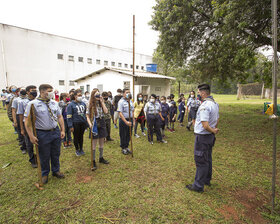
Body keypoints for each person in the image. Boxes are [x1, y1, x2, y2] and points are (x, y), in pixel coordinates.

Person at [24, 84, 65, 184]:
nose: (52, 92)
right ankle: (45, 173)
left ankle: (56, 171)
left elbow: (59, 117)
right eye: (49, 91)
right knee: (44, 154)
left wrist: (62, 130)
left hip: (55, 131)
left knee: (56, 153)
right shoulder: (33, 104)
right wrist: (31, 136)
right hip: (42, 133)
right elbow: (27, 122)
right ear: (42, 92)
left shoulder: (54, 103)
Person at [186, 84, 219, 193]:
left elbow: (205, 125)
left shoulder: (205, 106)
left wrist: (212, 130)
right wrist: (213, 129)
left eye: (199, 93)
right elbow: (217, 119)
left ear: (203, 93)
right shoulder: (215, 104)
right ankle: (206, 180)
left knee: (201, 160)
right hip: (209, 137)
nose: (198, 95)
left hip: (203, 137)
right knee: (207, 158)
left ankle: (198, 185)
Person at [86, 88, 109, 170]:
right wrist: (90, 124)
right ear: (93, 96)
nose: (98, 96)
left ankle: (101, 157)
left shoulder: (100, 103)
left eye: (99, 94)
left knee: (101, 141)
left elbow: (106, 112)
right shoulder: (90, 105)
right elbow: (87, 116)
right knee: (94, 144)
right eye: (96, 94)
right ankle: (93, 160)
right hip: (94, 124)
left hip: (102, 121)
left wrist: (102, 102)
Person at [17, 85, 38, 167]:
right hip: (27, 125)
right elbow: (21, 115)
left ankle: (39, 157)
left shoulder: (38, 101)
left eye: (35, 90)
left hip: (37, 124)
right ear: (28, 92)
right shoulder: (22, 102)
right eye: (33, 90)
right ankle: (32, 160)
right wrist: (22, 128)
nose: (34, 92)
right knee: (29, 143)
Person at [67, 89, 88, 156]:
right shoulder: (71, 105)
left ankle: (81, 148)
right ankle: (77, 149)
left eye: (81, 95)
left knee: (81, 136)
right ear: (75, 96)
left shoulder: (83, 103)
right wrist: (70, 126)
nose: (80, 97)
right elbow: (69, 116)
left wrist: (86, 123)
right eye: (79, 95)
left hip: (82, 123)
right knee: (76, 137)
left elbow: (85, 114)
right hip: (75, 123)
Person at [117, 89, 135, 155]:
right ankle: (123, 147)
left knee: (129, 134)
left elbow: (132, 111)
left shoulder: (131, 101)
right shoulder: (121, 102)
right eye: (127, 92)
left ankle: (127, 146)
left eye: (129, 92)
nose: (128, 93)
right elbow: (120, 113)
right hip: (123, 120)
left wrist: (133, 120)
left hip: (130, 119)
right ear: (123, 94)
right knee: (123, 134)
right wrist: (126, 121)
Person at [12, 88, 27, 153]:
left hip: (26, 116)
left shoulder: (28, 99)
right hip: (19, 116)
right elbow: (13, 110)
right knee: (22, 131)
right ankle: (23, 147)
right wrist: (15, 121)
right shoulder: (16, 100)